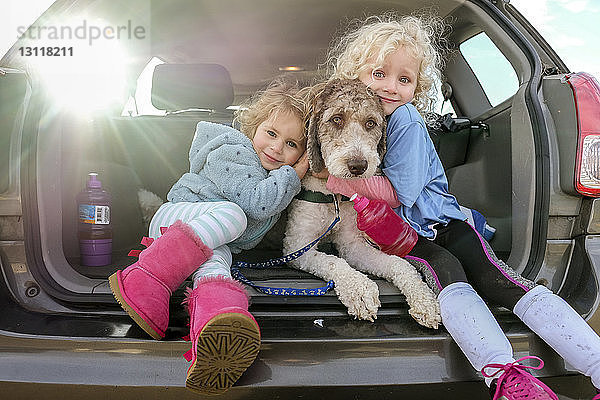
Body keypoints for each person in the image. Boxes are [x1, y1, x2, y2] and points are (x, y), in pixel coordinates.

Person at [319, 14, 600, 400]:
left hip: (442, 222)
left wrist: (327, 179)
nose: (391, 87)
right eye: (379, 74)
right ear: (355, 75)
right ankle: (506, 378)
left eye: (405, 79)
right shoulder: (359, 119)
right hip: (408, 239)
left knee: (498, 279)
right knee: (450, 274)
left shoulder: (406, 120)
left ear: (418, 87)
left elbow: (400, 192)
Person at [109, 79, 310, 395]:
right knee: (234, 215)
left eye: (292, 144)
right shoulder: (232, 150)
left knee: (218, 264)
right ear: (251, 129)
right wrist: (295, 172)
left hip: (204, 241)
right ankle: (147, 278)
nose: (276, 147)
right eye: (271, 134)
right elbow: (256, 202)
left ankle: (214, 330)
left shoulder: (271, 176)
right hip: (173, 220)